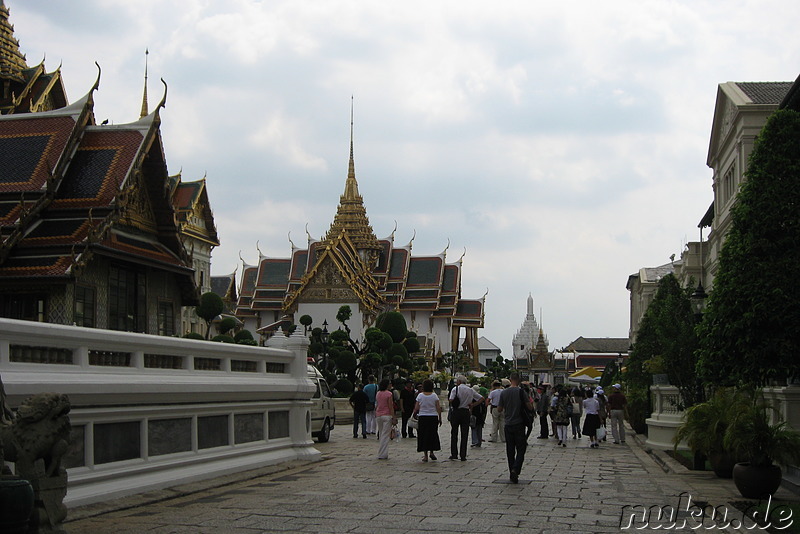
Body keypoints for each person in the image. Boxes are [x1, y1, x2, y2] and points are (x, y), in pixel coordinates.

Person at [497, 372, 534, 483]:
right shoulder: (521, 392)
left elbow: (499, 409)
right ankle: (516, 469)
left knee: (510, 450)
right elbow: (529, 407)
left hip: (508, 424)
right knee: (521, 449)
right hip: (519, 424)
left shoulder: (504, 393)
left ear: (510, 379)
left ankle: (511, 470)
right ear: (519, 380)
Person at [448, 376, 483, 461]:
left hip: (456, 412)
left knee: (454, 433)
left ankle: (454, 454)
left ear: (459, 381)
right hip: (466, 412)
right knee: (464, 434)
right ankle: (463, 455)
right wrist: (472, 405)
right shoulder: (470, 390)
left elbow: (451, 399)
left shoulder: (455, 389)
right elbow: (481, 398)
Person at [412, 379, 442, 462]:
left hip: (423, 417)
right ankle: (432, 452)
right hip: (433, 417)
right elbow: (438, 407)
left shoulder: (420, 396)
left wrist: (414, 414)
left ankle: (425, 455)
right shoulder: (434, 396)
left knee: (423, 435)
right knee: (432, 434)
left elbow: (417, 408)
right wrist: (440, 417)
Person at [375, 379, 396, 459]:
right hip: (387, 415)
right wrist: (393, 416)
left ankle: (381, 452)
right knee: (385, 435)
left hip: (379, 415)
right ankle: (383, 454)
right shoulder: (389, 394)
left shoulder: (378, 393)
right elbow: (390, 406)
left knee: (381, 434)